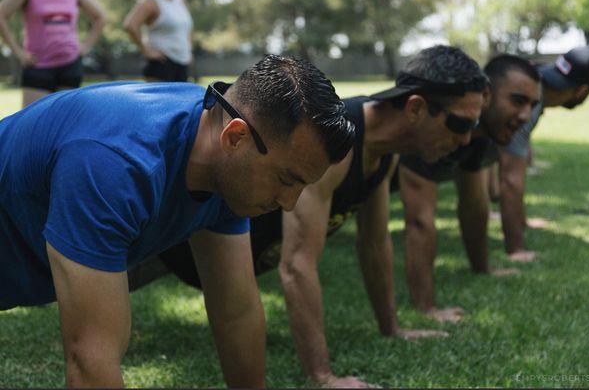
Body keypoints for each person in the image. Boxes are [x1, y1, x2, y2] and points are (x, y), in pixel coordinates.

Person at [129, 45, 488, 387]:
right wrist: (323, 376)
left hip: (224, 252)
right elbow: (297, 266)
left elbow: (375, 244)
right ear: (415, 108)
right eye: (459, 124)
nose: (467, 140)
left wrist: (391, 328)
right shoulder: (328, 144)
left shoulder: (385, 152)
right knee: (89, 287)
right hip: (173, 242)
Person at [0, 54, 354, 387]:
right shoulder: (117, 164)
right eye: (286, 180)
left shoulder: (225, 160)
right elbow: (90, 360)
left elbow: (236, 311)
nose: (289, 204)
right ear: (234, 137)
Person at [398, 54, 542, 323]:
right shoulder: (433, 125)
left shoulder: (481, 136)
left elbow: (474, 206)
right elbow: (419, 220)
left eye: (533, 105)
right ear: (486, 95)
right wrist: (426, 308)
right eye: (517, 101)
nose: (526, 115)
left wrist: (482, 268)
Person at [497, 46, 589, 262]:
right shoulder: (530, 103)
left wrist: (522, 222)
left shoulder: (536, 88)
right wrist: (517, 249)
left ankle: (520, 223)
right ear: (582, 91)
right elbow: (510, 180)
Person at [0, 0, 106, 107]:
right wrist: (18, 52)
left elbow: (100, 17)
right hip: (38, 67)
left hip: (70, 66)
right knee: (34, 122)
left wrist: (86, 46)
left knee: (66, 121)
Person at [124, 0, 193, 82]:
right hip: (161, 63)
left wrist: (188, 51)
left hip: (182, 64)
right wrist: (146, 51)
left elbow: (187, 28)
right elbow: (130, 25)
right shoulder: (151, 1)